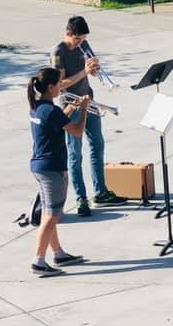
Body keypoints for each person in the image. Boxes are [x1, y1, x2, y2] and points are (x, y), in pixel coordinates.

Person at [51, 16, 124, 217]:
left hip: (88, 101)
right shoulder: (59, 52)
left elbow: (88, 72)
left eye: (83, 39)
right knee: (75, 153)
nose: (80, 43)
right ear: (68, 33)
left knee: (97, 145)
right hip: (71, 105)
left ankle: (100, 192)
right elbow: (61, 84)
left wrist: (94, 71)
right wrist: (84, 71)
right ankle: (81, 198)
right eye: (77, 39)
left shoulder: (84, 43)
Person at [27, 67, 90, 277]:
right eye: (60, 84)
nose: (62, 87)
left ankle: (58, 253)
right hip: (53, 168)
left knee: (48, 213)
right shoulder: (51, 111)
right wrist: (84, 110)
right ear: (51, 87)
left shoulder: (37, 107)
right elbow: (78, 132)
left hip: (40, 165)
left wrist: (70, 108)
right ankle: (38, 261)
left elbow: (55, 122)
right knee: (52, 216)